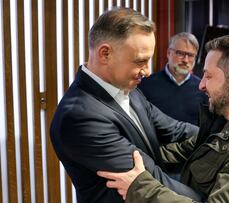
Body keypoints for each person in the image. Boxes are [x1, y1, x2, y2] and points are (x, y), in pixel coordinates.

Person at [98, 33, 229, 203]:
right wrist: (124, 158)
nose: (201, 85)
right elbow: (185, 150)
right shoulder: (226, 120)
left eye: (208, 76)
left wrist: (140, 188)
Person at [50, 8, 203, 203]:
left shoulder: (131, 91)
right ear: (105, 53)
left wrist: (227, 140)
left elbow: (176, 129)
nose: (147, 72)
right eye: (140, 61)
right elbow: (151, 177)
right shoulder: (80, 116)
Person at [138, 32, 207, 126]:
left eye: (190, 55)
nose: (185, 60)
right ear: (168, 53)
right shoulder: (145, 86)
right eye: (181, 53)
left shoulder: (202, 88)